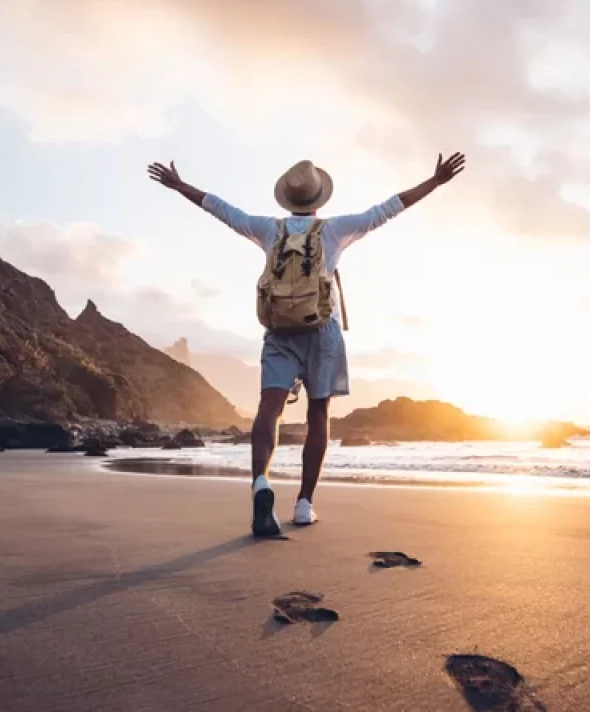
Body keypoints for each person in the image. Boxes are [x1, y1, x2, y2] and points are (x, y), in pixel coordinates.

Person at [148, 152, 466, 536]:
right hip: (322, 332)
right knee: (318, 413)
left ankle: (261, 484)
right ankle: (303, 505)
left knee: (270, 408)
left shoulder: (268, 229)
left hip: (280, 331)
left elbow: (221, 209)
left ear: (287, 198)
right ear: (317, 200)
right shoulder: (334, 231)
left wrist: (180, 185)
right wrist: (434, 182)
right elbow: (387, 209)